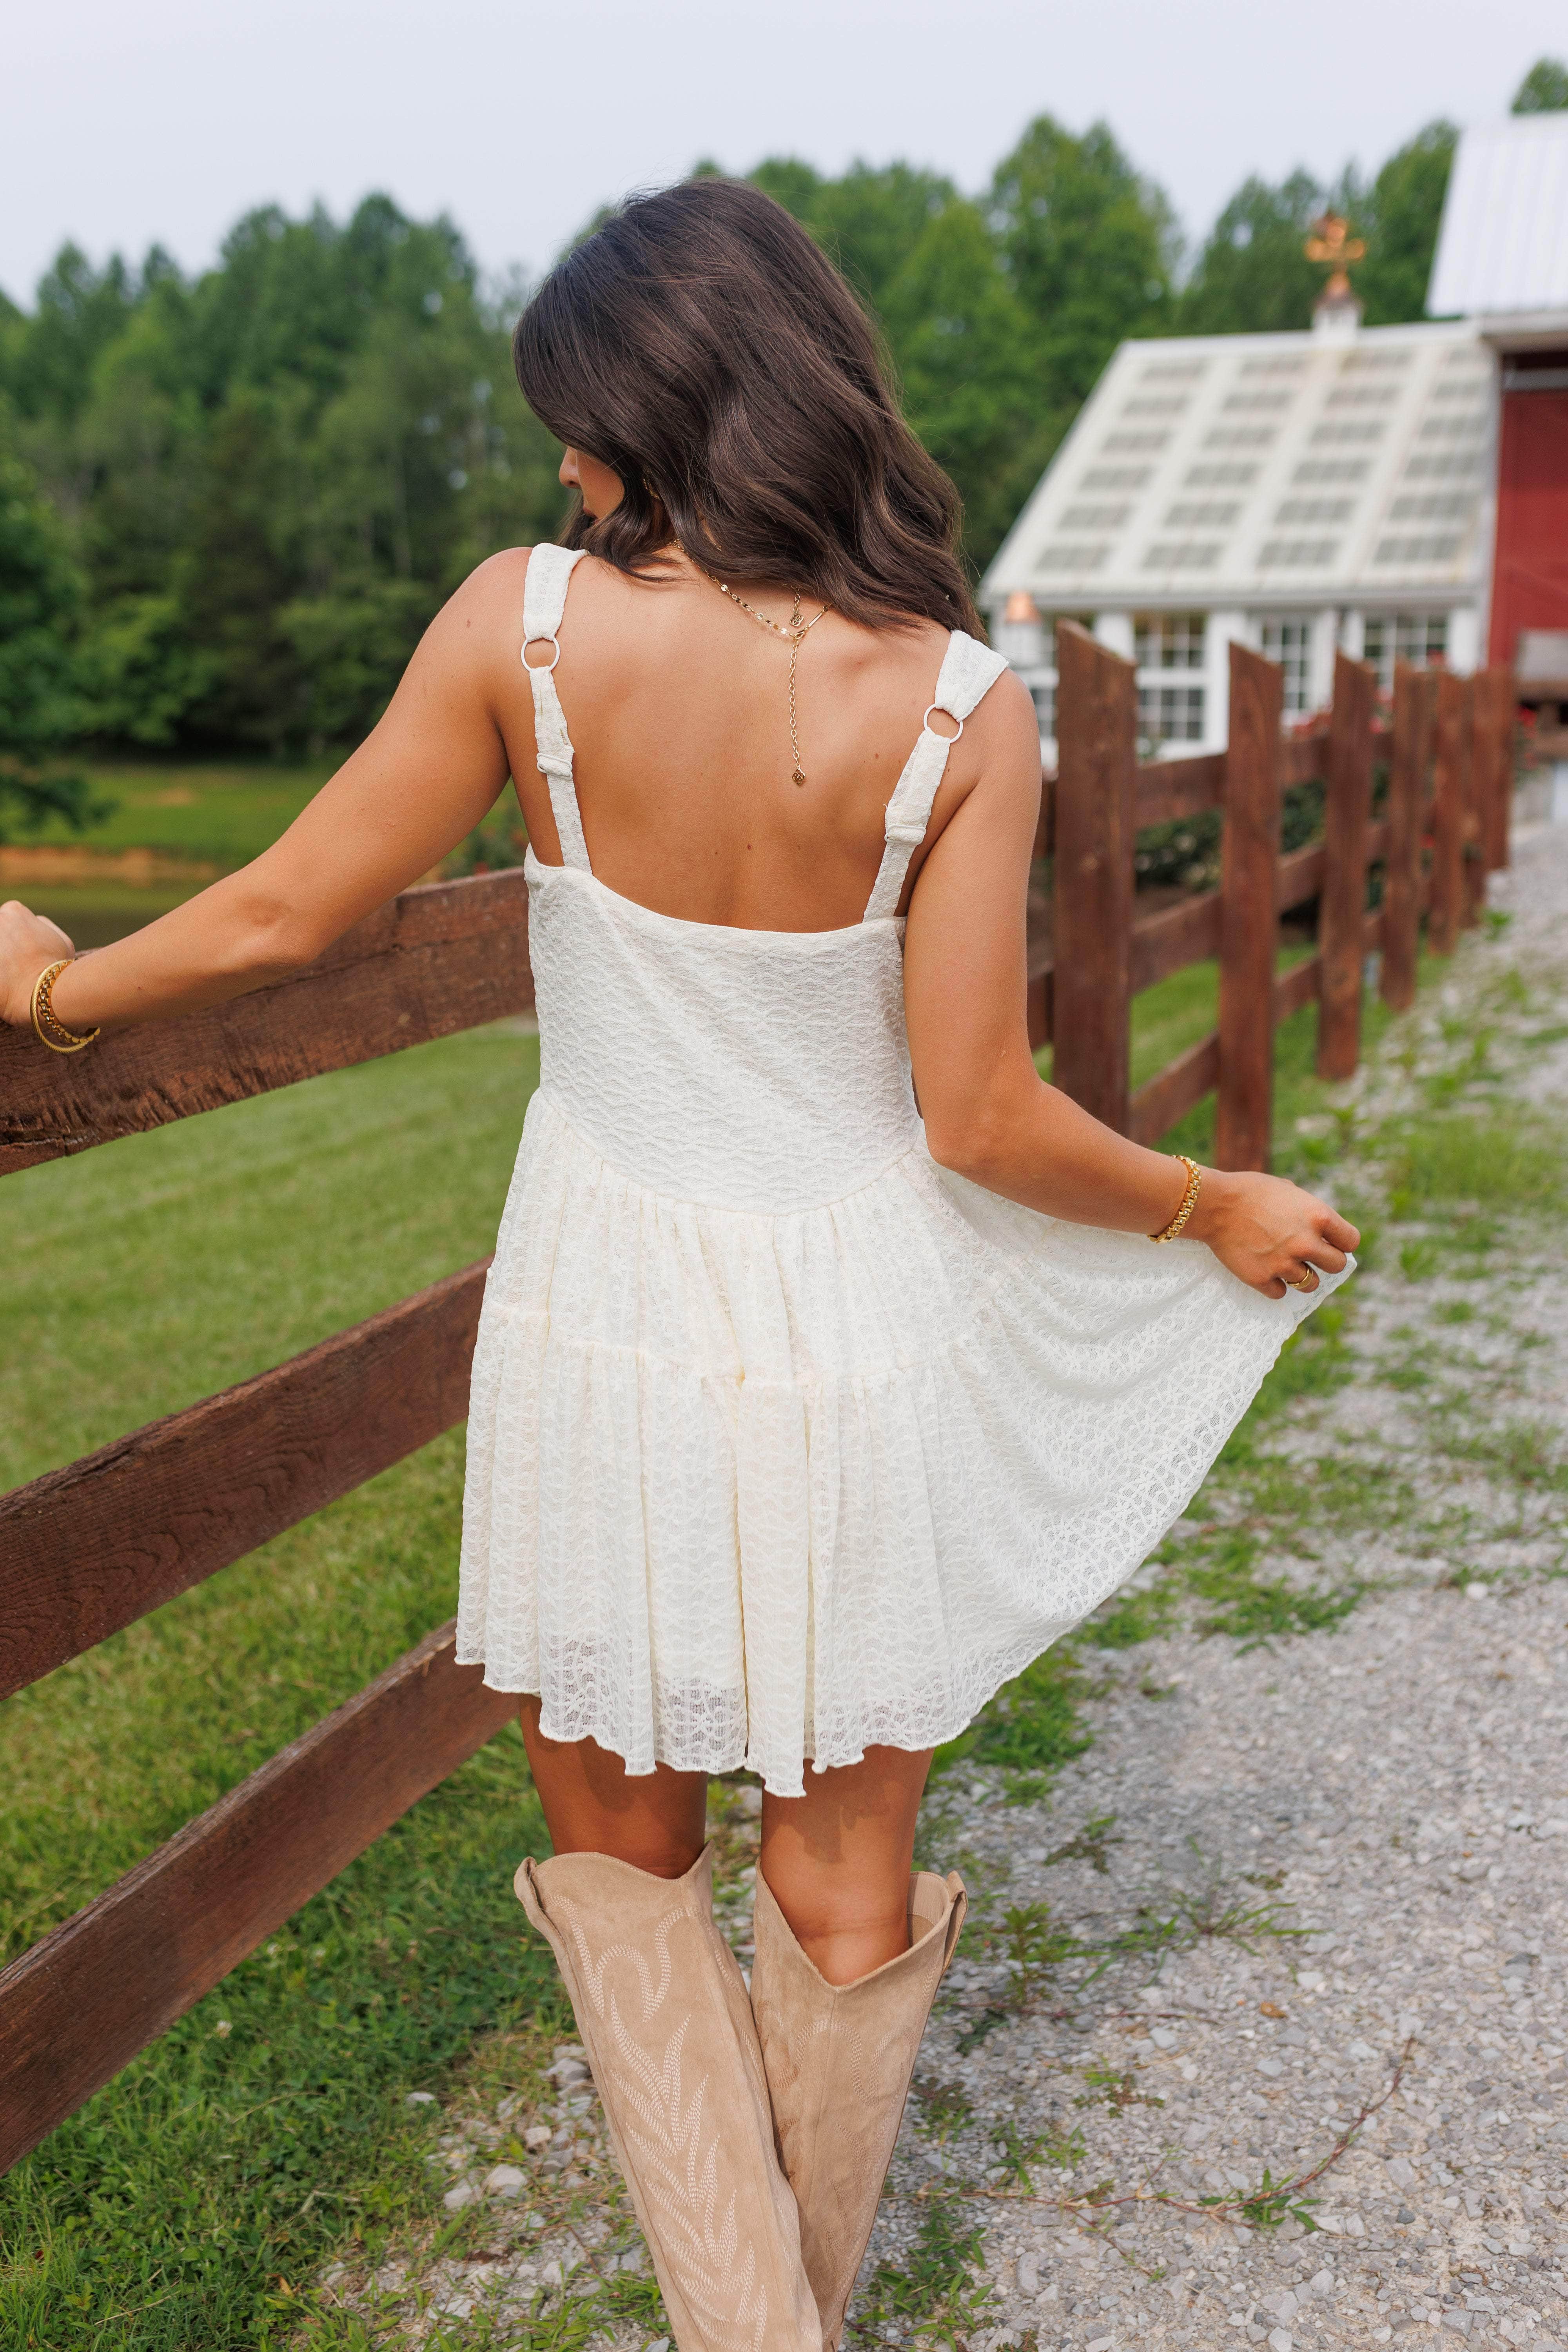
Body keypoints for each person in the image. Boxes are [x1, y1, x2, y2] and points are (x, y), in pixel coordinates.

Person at [1, 178, 1356, 2352]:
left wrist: (54, 993)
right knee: (840, 1892)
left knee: (630, 1880)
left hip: (607, 1317)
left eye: (578, 420)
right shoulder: (963, 707)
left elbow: (278, 916)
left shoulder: (526, 630)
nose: (561, 465)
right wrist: (1210, 1202)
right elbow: (983, 1118)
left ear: (662, 402)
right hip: (861, 1331)